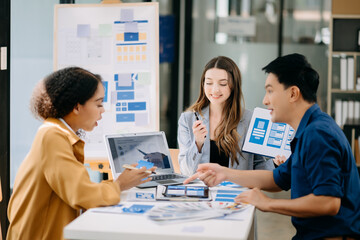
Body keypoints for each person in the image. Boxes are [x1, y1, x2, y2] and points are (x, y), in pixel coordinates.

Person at [184, 53, 360, 240]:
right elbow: (277, 180)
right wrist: (224, 173)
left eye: (270, 91)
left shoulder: (318, 134)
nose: (265, 101)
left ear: (293, 93)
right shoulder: (309, 130)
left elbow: (328, 202)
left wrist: (267, 203)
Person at [7, 67, 156, 240]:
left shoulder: (58, 132)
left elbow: (78, 190)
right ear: (77, 106)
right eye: (99, 103)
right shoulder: (52, 135)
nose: (103, 110)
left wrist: (120, 182)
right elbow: (81, 194)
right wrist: (120, 184)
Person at [177, 56, 274, 176]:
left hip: (236, 192)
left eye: (223, 84)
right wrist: (197, 144)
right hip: (201, 192)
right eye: (209, 83)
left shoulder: (250, 119)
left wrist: (275, 163)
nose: (215, 90)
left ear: (233, 86)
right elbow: (186, 171)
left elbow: (261, 168)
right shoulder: (187, 119)